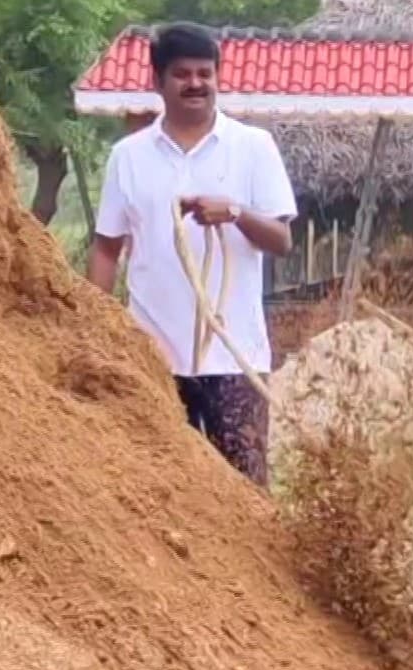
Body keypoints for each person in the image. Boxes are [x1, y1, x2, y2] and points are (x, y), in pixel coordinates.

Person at [85, 22, 297, 489]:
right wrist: (92, 330)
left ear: (218, 78)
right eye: (183, 74)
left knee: (245, 496)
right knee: (154, 492)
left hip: (234, 359)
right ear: (159, 81)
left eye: (205, 73)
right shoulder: (128, 156)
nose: (196, 83)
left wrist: (236, 213)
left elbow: (281, 240)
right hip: (150, 361)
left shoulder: (253, 148)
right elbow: (106, 249)